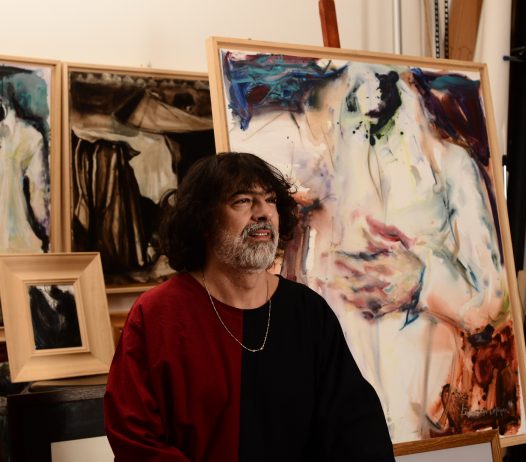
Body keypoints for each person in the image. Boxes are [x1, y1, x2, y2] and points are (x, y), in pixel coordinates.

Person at [104, 152, 395, 461]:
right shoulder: (157, 315)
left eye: (270, 200)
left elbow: (355, 427)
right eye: (243, 201)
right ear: (204, 220)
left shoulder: (308, 311)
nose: (263, 213)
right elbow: (134, 434)